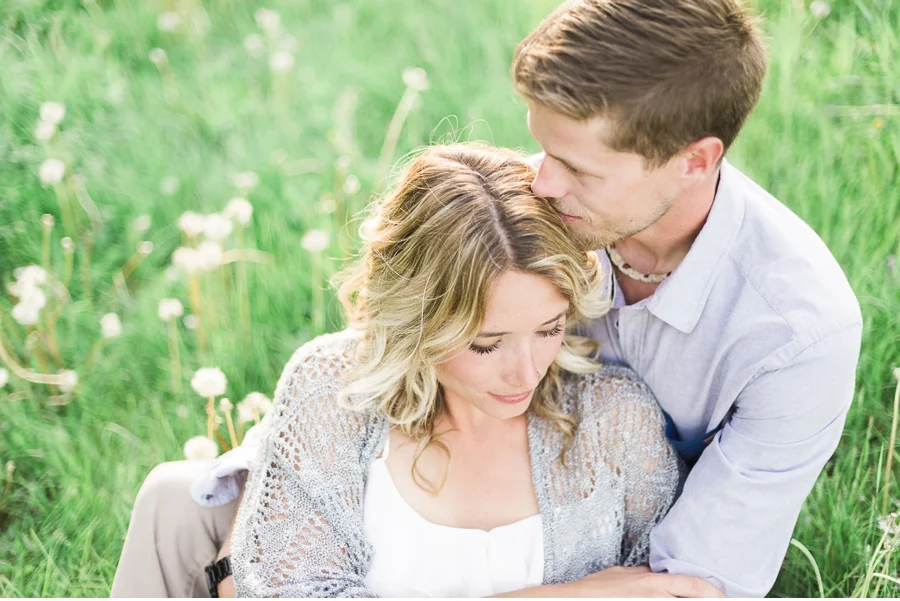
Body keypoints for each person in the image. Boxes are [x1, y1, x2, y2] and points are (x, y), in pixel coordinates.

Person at [112, 0, 862, 597]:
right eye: (541, 148)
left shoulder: (795, 332)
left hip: (594, 523)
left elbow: (688, 581)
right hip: (412, 484)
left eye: (572, 165)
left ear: (694, 161)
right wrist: (265, 500)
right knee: (180, 502)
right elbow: (401, 334)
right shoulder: (553, 200)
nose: (537, 181)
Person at [113, 144, 721, 598]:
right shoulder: (333, 388)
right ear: (418, 321)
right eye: (486, 344)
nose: (527, 370)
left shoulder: (615, 420)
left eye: (550, 328)